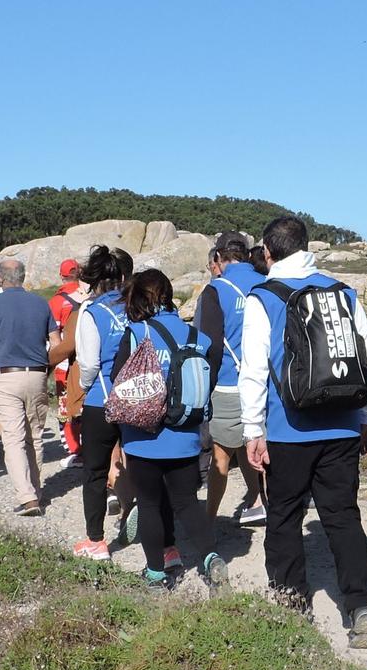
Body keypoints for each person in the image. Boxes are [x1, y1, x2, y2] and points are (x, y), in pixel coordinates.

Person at [240, 215, 367, 648]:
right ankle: (361, 607)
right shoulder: (342, 292)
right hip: (342, 423)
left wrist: (253, 430)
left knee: (284, 515)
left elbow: (253, 372)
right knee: (342, 516)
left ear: (267, 252)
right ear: (306, 245)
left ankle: (292, 602)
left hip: (289, 427)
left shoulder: (262, 297)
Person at [114, 269, 230, 591]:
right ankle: (210, 559)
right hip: (186, 437)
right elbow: (211, 377)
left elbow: (117, 378)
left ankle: (155, 574)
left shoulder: (137, 333)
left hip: (143, 439)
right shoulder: (198, 337)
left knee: (150, 504)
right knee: (186, 502)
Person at [195, 232, 268, 526]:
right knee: (252, 442)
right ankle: (259, 499)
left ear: (218, 257)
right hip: (266, 384)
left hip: (228, 382)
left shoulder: (215, 291)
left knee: (221, 456)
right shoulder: (267, 283)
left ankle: (208, 520)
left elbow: (206, 344)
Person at [69, 246, 137, 560]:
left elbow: (89, 363)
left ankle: (96, 541)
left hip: (103, 399)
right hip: (140, 397)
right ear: (124, 276)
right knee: (142, 466)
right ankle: (163, 541)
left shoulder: (91, 310)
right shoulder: (138, 305)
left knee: (95, 472)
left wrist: (84, 389)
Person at [0, 257, 56, 515]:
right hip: (37, 373)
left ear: (1, 278)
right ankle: (37, 488)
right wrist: (47, 370)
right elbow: (55, 343)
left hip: (6, 374)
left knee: (13, 438)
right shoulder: (41, 303)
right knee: (34, 435)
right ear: (22, 277)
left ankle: (27, 497)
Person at [48, 258, 85, 458]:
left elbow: (53, 336)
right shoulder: (88, 296)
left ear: (61, 276)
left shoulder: (56, 301)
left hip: (65, 360)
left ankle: (73, 449)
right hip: (87, 357)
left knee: (66, 406)